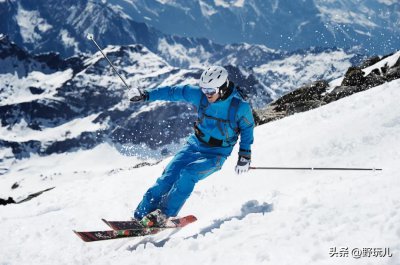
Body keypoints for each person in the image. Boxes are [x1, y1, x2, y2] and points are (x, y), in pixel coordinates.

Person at [130, 66, 255, 227]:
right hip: (194, 145)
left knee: (188, 174)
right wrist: (146, 94)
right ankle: (140, 216)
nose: (206, 93)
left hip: (216, 154)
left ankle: (163, 215)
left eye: (211, 90)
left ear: (223, 88)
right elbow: (173, 92)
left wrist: (245, 156)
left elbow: (247, 129)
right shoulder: (201, 95)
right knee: (168, 177)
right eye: (204, 89)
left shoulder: (240, 107)